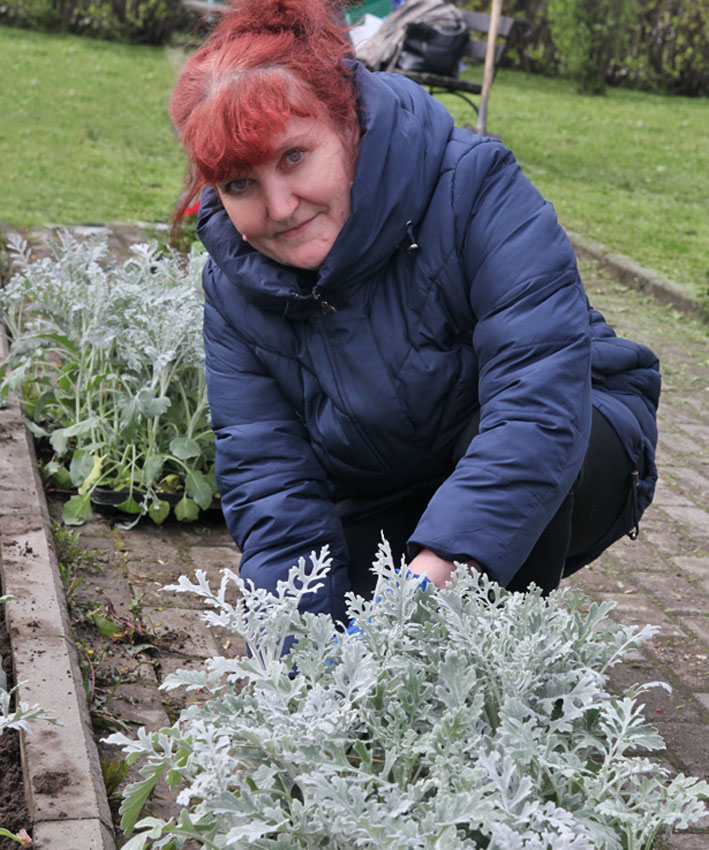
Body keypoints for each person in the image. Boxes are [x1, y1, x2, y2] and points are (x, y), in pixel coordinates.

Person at [169, 0, 660, 625]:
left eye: (293, 157)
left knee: (480, 516)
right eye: (240, 184)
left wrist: (421, 589)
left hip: (574, 435)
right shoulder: (236, 288)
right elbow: (271, 484)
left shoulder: (475, 186)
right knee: (328, 619)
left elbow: (536, 407)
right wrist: (296, 658)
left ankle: (494, 660)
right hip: (391, 483)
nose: (281, 206)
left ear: (347, 123)